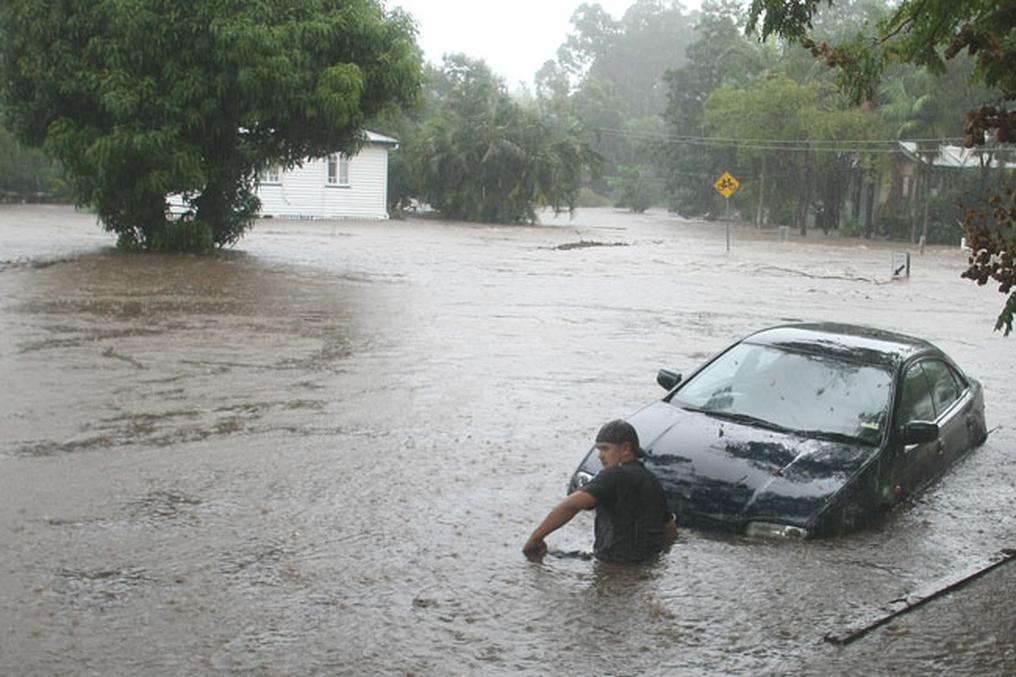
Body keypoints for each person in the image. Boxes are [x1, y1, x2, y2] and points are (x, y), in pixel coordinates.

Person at [523, 419, 678, 564]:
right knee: (557, 553)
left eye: (605, 449)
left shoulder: (614, 475)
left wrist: (536, 538)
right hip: (643, 566)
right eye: (598, 450)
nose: (600, 456)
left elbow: (572, 504)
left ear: (625, 449)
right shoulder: (653, 481)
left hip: (612, 565)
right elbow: (670, 530)